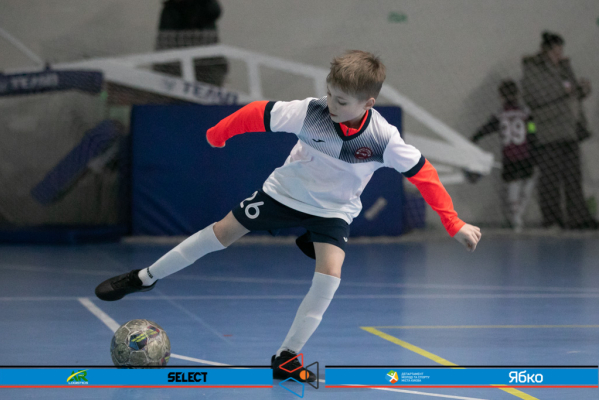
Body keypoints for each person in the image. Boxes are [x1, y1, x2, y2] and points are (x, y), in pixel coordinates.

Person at [95, 51, 482, 382]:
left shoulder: (384, 139)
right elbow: (258, 113)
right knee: (221, 233)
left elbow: (425, 175)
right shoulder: (311, 112)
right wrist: (220, 133)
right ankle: (144, 278)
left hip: (333, 210)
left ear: (368, 103)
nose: (331, 104)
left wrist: (455, 223)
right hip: (285, 193)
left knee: (330, 275)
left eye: (342, 101)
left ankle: (286, 357)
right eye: (329, 93)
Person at [521, 31, 597, 229]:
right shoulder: (532, 69)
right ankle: (552, 219)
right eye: (556, 52)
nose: (559, 56)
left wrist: (581, 90)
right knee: (550, 179)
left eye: (561, 51)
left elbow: (570, 93)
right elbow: (534, 95)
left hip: (569, 129)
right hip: (549, 131)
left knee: (573, 177)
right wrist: (563, 90)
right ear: (546, 51)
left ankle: (578, 218)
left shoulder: (563, 68)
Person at [468, 80, 537, 232]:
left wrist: (475, 137)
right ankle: (519, 214)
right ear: (518, 94)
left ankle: (516, 218)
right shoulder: (526, 113)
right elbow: (532, 130)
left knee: (512, 185)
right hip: (525, 154)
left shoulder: (500, 114)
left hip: (509, 156)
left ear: (501, 96)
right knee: (528, 182)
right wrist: (534, 145)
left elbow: (488, 128)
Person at [154, 0, 228, 86]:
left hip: (206, 66)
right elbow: (165, 46)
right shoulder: (171, 10)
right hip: (177, 67)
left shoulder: (204, 7)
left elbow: (215, 11)